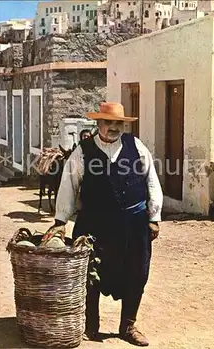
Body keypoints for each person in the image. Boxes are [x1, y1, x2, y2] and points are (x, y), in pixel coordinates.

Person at [44, 102, 163, 347]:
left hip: (134, 225)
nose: (113, 127)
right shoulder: (83, 151)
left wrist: (154, 217)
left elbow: (151, 181)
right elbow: (69, 185)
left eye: (118, 123)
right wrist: (60, 221)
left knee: (137, 274)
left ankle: (128, 325)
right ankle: (91, 325)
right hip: (94, 225)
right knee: (90, 275)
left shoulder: (136, 146)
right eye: (108, 122)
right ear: (98, 124)